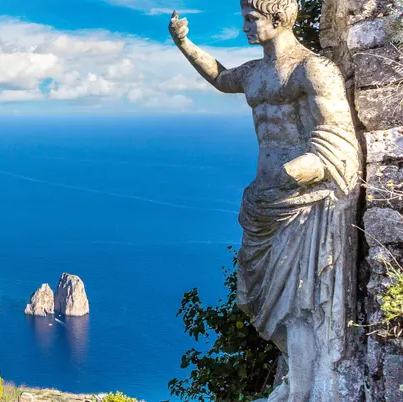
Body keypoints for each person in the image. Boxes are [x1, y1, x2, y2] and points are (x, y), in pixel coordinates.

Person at [169, 1, 362, 400]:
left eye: (251, 18)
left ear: (278, 18)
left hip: (301, 201)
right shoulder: (255, 73)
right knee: (260, 296)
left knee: (298, 300)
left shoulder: (314, 69)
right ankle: (296, 376)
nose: (244, 26)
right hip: (264, 201)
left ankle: (306, 388)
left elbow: (339, 136)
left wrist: (304, 169)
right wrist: (184, 43)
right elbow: (221, 77)